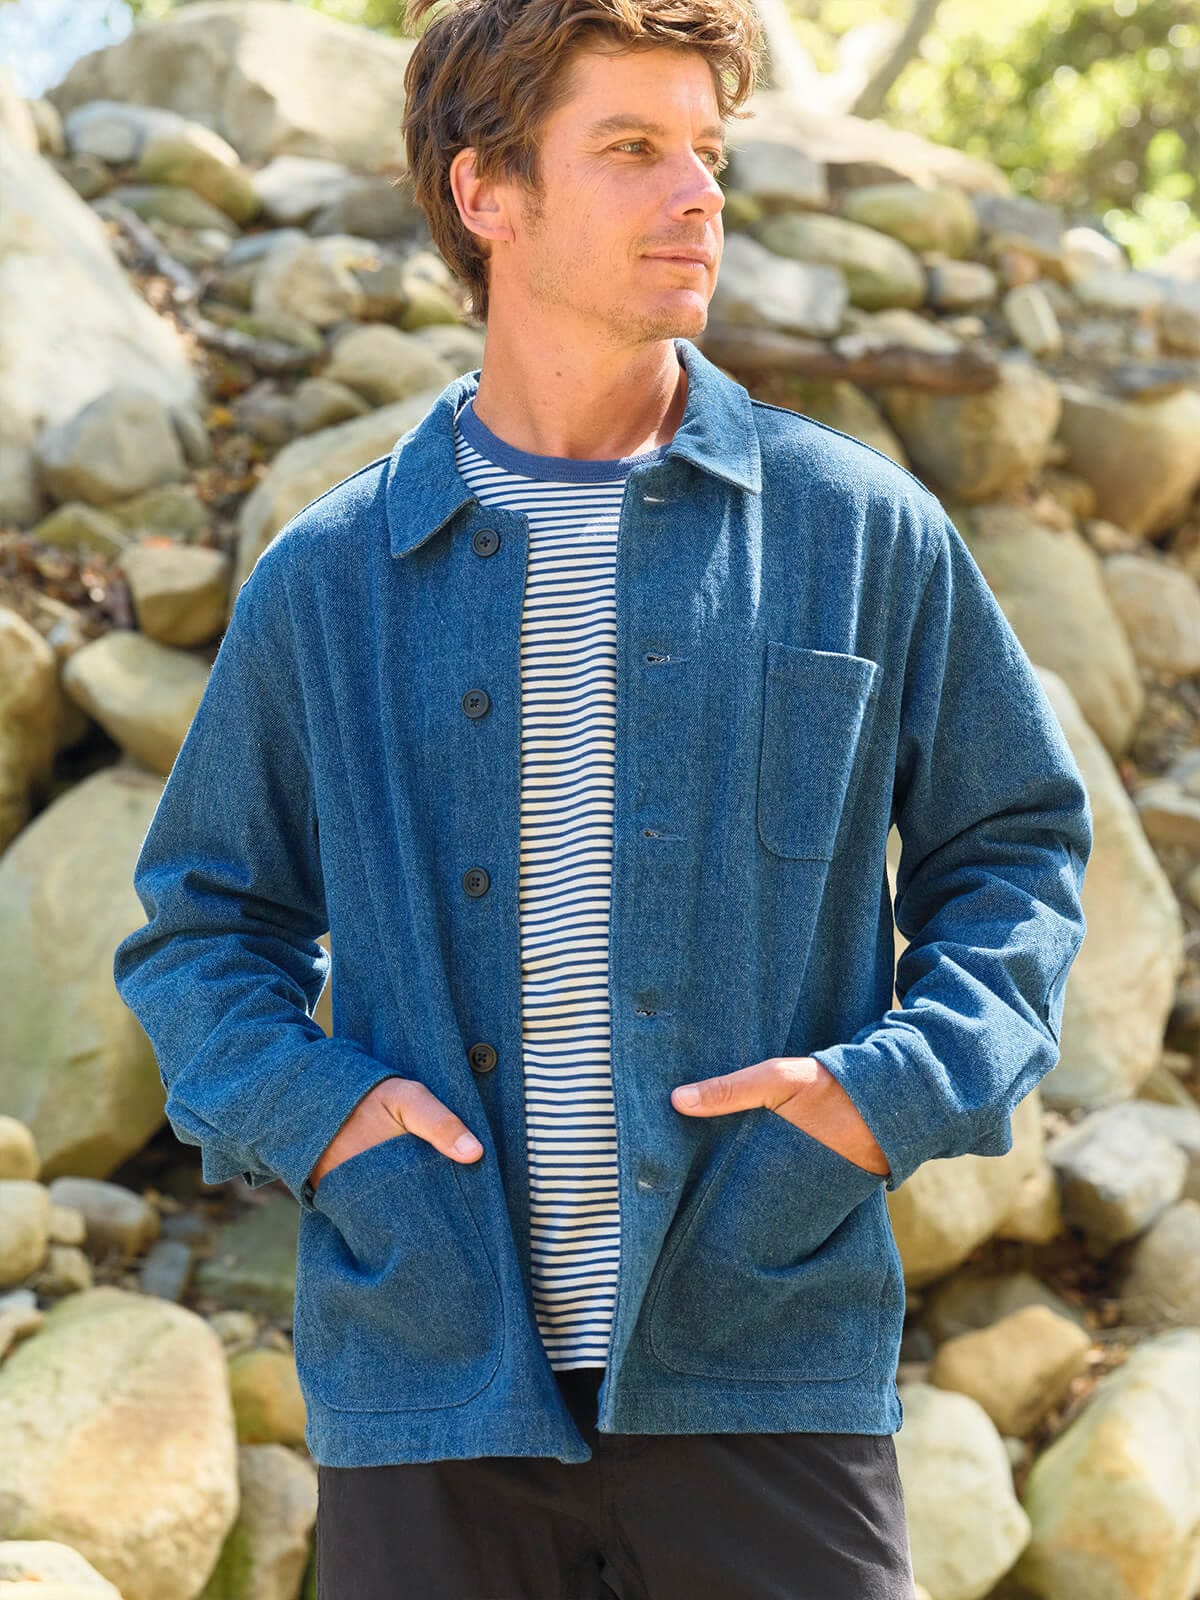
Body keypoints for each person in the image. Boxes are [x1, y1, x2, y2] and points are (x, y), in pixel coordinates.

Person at [112, 0, 1094, 1592]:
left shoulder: (859, 532)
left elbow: (1019, 850)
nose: (698, 193)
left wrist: (885, 1098)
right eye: (633, 148)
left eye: (708, 150)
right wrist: (332, 1125)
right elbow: (200, 931)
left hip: (762, 1359)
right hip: (429, 1388)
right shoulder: (330, 581)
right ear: (486, 191)